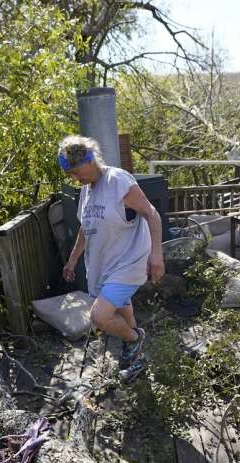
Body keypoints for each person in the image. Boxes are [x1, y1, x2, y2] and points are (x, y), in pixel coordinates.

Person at [59, 135, 164, 383]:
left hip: (128, 262)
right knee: (122, 307)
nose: (74, 179)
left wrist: (156, 254)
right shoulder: (86, 192)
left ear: (89, 160)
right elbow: (86, 229)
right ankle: (137, 358)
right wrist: (73, 260)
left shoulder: (118, 181)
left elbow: (151, 214)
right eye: (69, 175)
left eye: (75, 172)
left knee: (99, 317)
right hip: (104, 266)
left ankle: (135, 339)